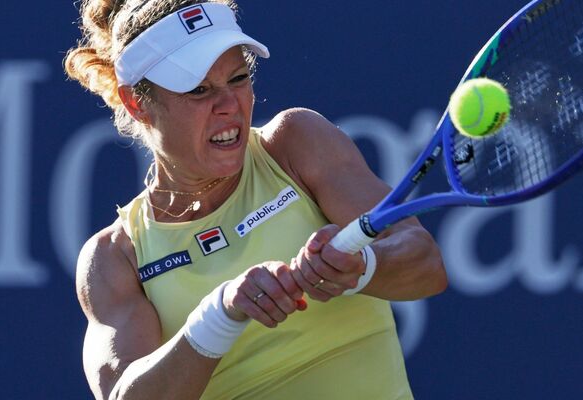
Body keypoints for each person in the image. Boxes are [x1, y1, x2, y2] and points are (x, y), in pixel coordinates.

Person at [65, 0, 447, 399]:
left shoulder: (296, 143)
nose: (230, 105)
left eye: (238, 78)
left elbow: (427, 263)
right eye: (199, 90)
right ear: (137, 103)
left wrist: (362, 266)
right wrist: (219, 315)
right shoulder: (114, 258)